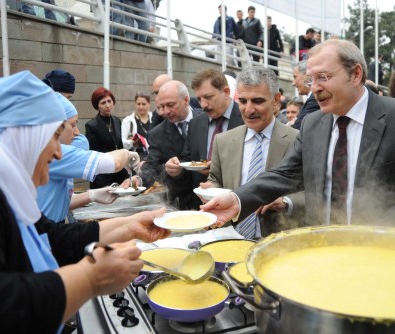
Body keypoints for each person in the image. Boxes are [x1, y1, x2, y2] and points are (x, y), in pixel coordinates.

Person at [0, 71, 170, 334]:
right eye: (54, 136)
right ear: (22, 134)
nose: (59, 153)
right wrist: (91, 278)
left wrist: (130, 225)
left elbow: (50, 237)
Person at [202, 39, 395, 228]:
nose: (315, 88)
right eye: (311, 80)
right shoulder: (312, 124)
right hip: (321, 247)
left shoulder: (391, 117)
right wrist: (237, 199)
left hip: (380, 250)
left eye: (323, 77)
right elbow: (284, 174)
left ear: (355, 74)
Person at [200, 66, 302, 238]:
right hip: (232, 238)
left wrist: (286, 202)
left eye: (257, 101)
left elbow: (315, 192)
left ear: (276, 100)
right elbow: (215, 179)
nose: (248, 110)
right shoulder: (223, 141)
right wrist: (212, 190)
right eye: (243, 101)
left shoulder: (298, 140)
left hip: (280, 241)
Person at [38, 93, 139, 224]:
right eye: (73, 125)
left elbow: (61, 201)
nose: (76, 132)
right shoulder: (54, 153)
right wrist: (127, 153)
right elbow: (115, 162)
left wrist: (92, 195)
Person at [165, 69, 243, 209]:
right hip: (201, 207)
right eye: (199, 99)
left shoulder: (246, 119)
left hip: (238, 205)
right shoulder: (196, 124)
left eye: (208, 97)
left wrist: (220, 168)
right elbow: (187, 160)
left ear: (226, 92)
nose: (203, 105)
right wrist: (177, 170)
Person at [139, 80, 205, 209]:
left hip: (213, 196)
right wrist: (137, 180)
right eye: (162, 107)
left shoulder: (207, 119)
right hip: (183, 205)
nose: (166, 111)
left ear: (186, 100)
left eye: (170, 105)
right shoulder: (157, 134)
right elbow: (152, 166)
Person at [85, 87, 130, 189]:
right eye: (103, 103)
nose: (108, 105)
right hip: (102, 175)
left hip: (119, 172)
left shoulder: (117, 121)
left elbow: (120, 148)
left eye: (109, 101)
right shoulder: (91, 126)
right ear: (97, 106)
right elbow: (94, 154)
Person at [121, 92, 153, 161]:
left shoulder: (154, 119)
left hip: (153, 158)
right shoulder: (128, 121)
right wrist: (132, 142)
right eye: (138, 104)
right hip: (136, 159)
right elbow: (122, 142)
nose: (141, 107)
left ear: (149, 104)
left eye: (144, 104)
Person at [291, 60, 320, 129]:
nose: (293, 83)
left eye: (295, 77)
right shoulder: (311, 98)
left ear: (307, 75)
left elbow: (297, 127)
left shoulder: (315, 99)